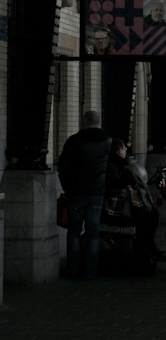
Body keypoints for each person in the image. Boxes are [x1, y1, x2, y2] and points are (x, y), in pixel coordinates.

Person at [57, 111, 112, 279]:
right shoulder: (107, 142)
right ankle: (91, 271)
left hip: (76, 193)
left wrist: (68, 188)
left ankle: (73, 269)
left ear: (84, 121)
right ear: (99, 122)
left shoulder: (74, 141)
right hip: (96, 194)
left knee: (73, 232)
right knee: (93, 232)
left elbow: (63, 166)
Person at [104, 137, 161, 260]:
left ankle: (148, 246)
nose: (125, 151)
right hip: (120, 206)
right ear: (118, 150)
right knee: (146, 218)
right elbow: (117, 183)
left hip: (126, 203)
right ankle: (145, 248)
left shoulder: (120, 164)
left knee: (152, 214)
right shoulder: (115, 165)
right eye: (124, 148)